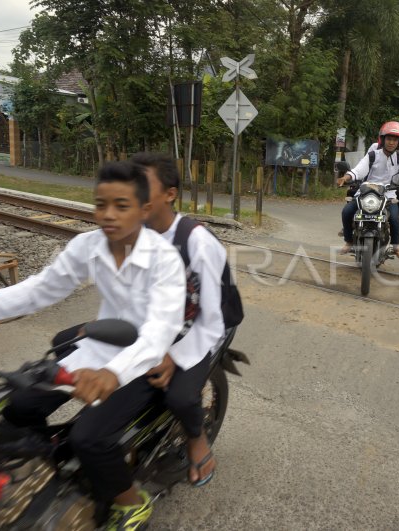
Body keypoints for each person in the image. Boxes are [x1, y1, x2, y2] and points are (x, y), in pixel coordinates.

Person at [0, 160, 186, 531]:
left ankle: (132, 504)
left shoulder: (165, 261)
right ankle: (51, 469)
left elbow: (159, 330)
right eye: (101, 205)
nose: (108, 215)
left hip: (144, 361)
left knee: (91, 438)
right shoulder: (89, 246)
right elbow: (40, 289)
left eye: (121, 205)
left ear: (144, 209)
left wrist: (112, 374)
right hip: (100, 348)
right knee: (17, 404)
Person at [131, 151, 226, 487]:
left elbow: (212, 318)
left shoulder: (196, 241)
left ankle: (197, 439)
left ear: (170, 194)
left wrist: (175, 355)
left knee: (181, 396)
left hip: (201, 327)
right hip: (157, 323)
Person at [337, 121, 399, 256]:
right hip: (367, 191)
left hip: (388, 194)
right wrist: (346, 177)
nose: (391, 142)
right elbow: (359, 169)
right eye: (389, 139)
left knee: (395, 219)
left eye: (395, 140)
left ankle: (395, 246)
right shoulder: (373, 155)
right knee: (347, 212)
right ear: (383, 139)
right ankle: (349, 241)